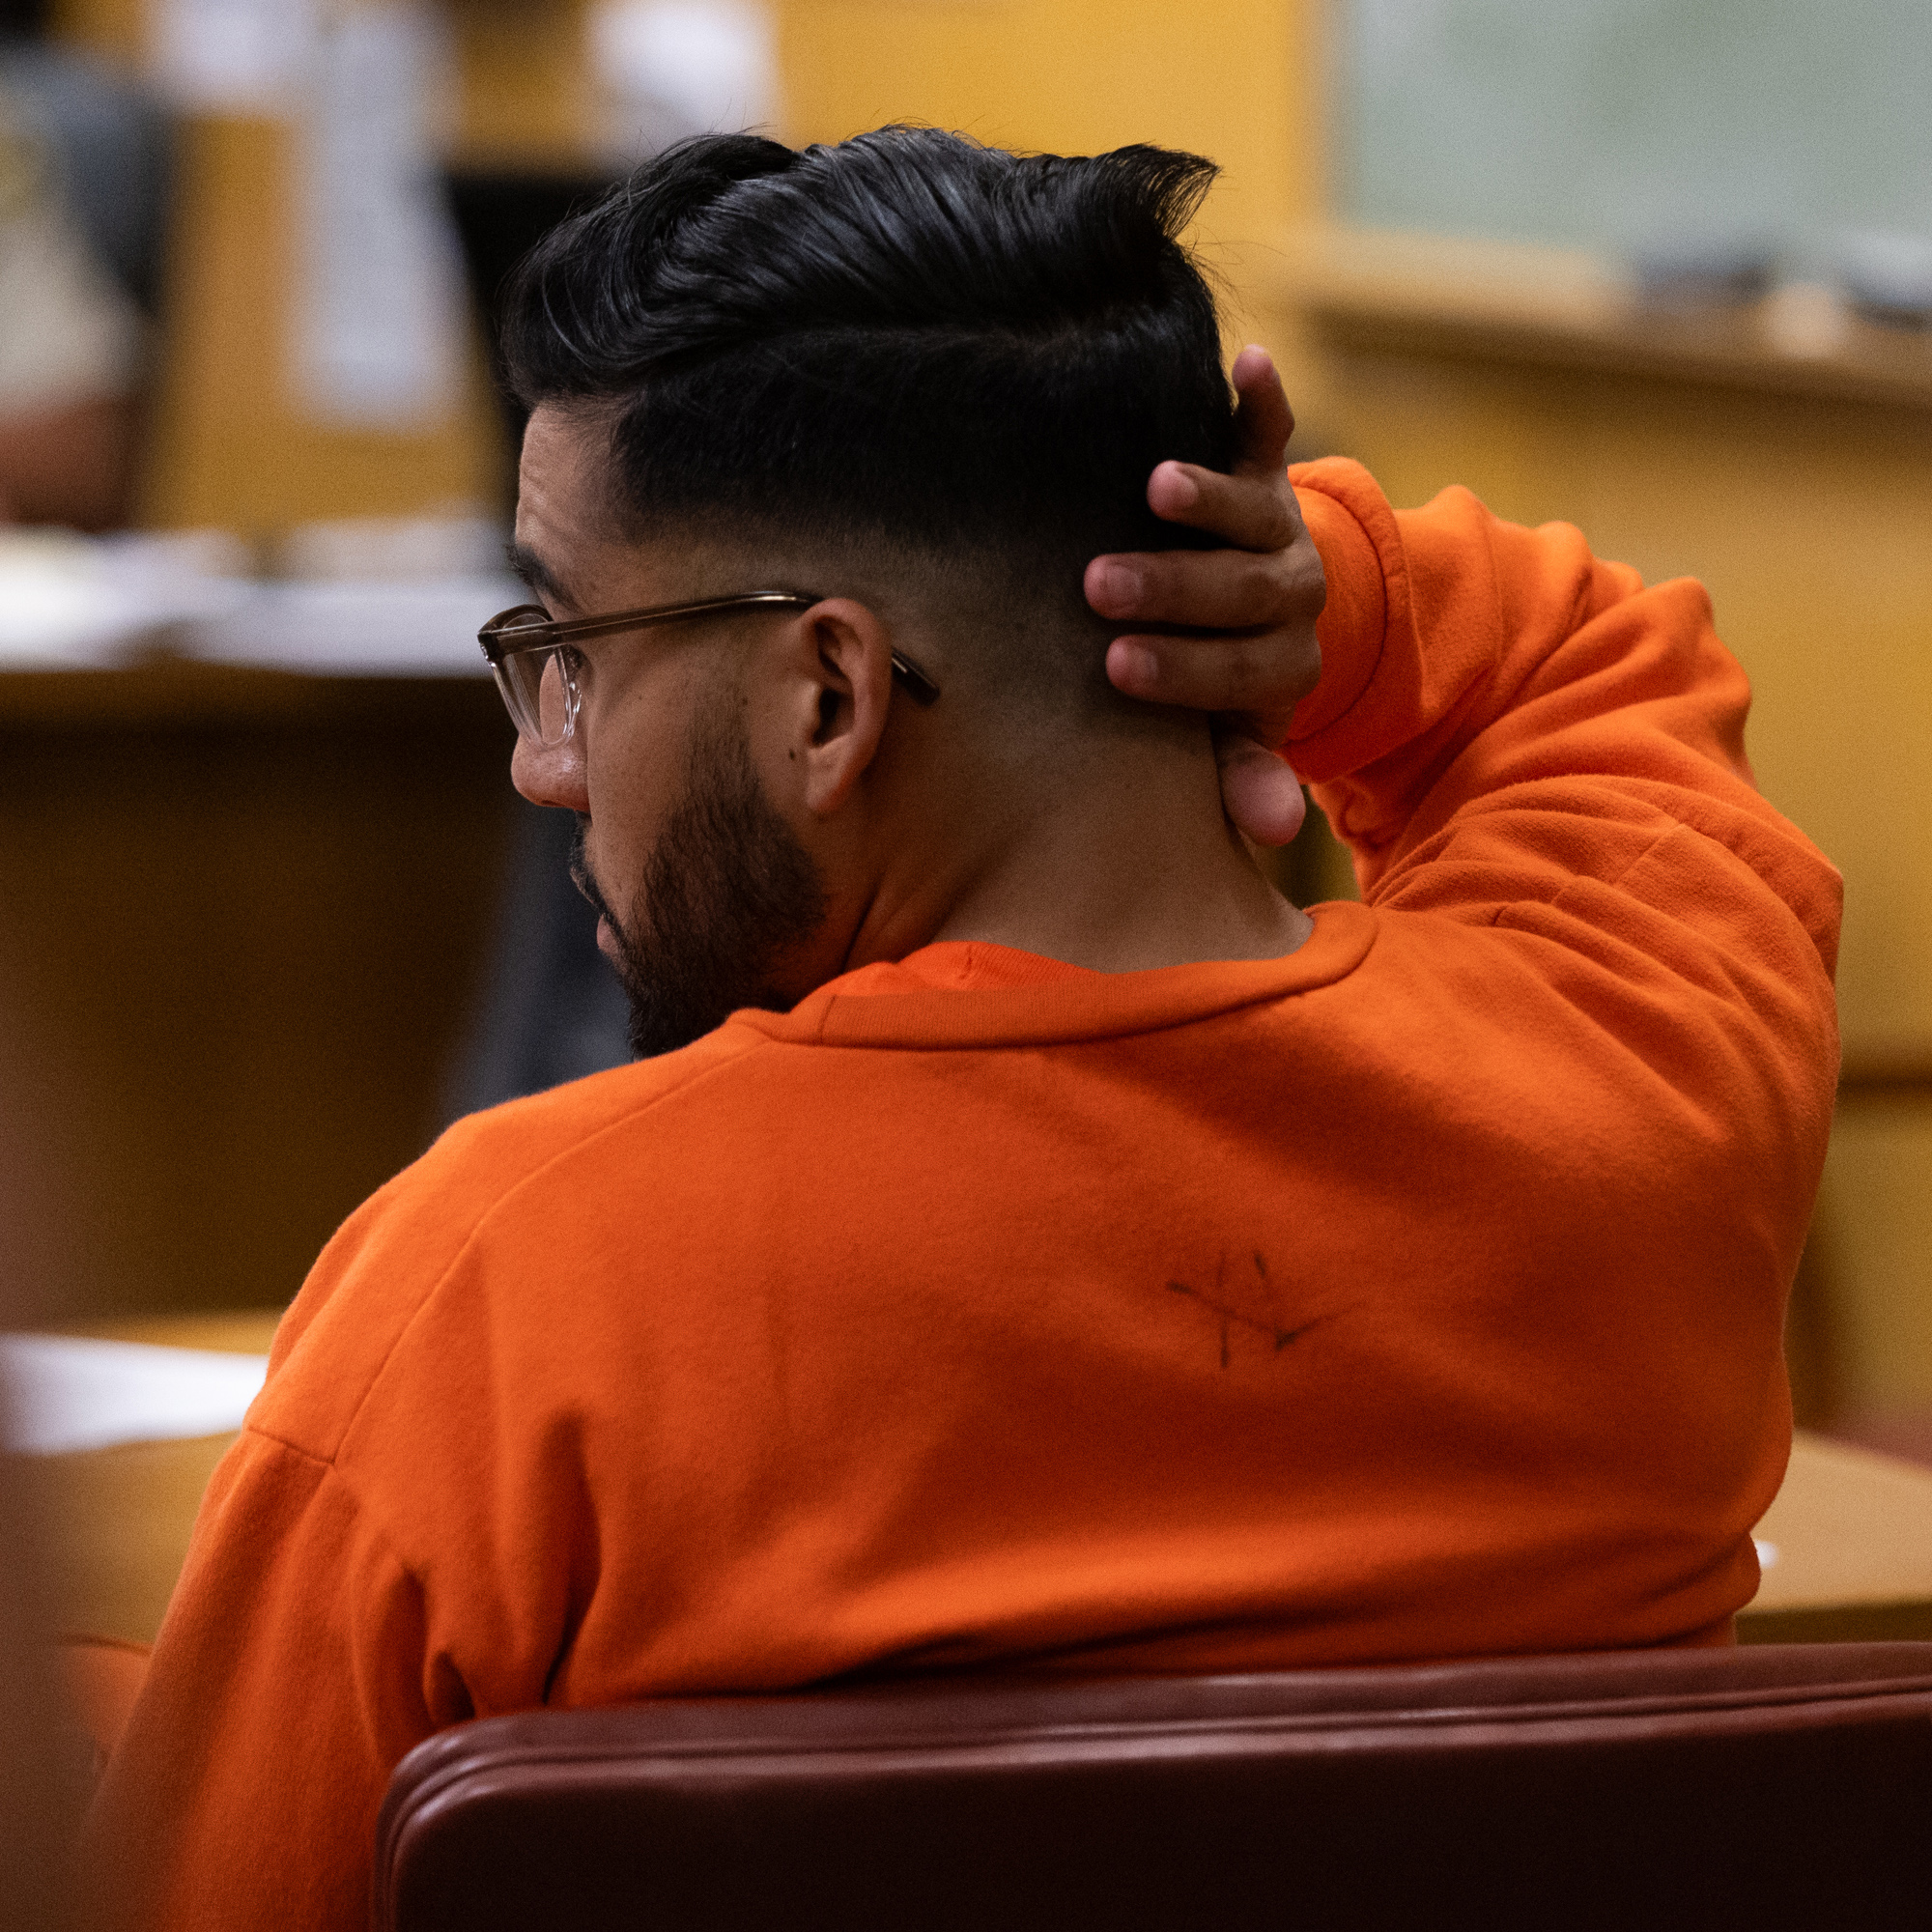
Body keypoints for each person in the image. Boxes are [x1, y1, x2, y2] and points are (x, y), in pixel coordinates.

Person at [84, 130, 1838, 1927]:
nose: (547, 759)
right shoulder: (1640, 1091)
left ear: (831, 694)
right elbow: (1590, 668)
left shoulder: (505, 1294)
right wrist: (1326, 590)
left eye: (574, 651)